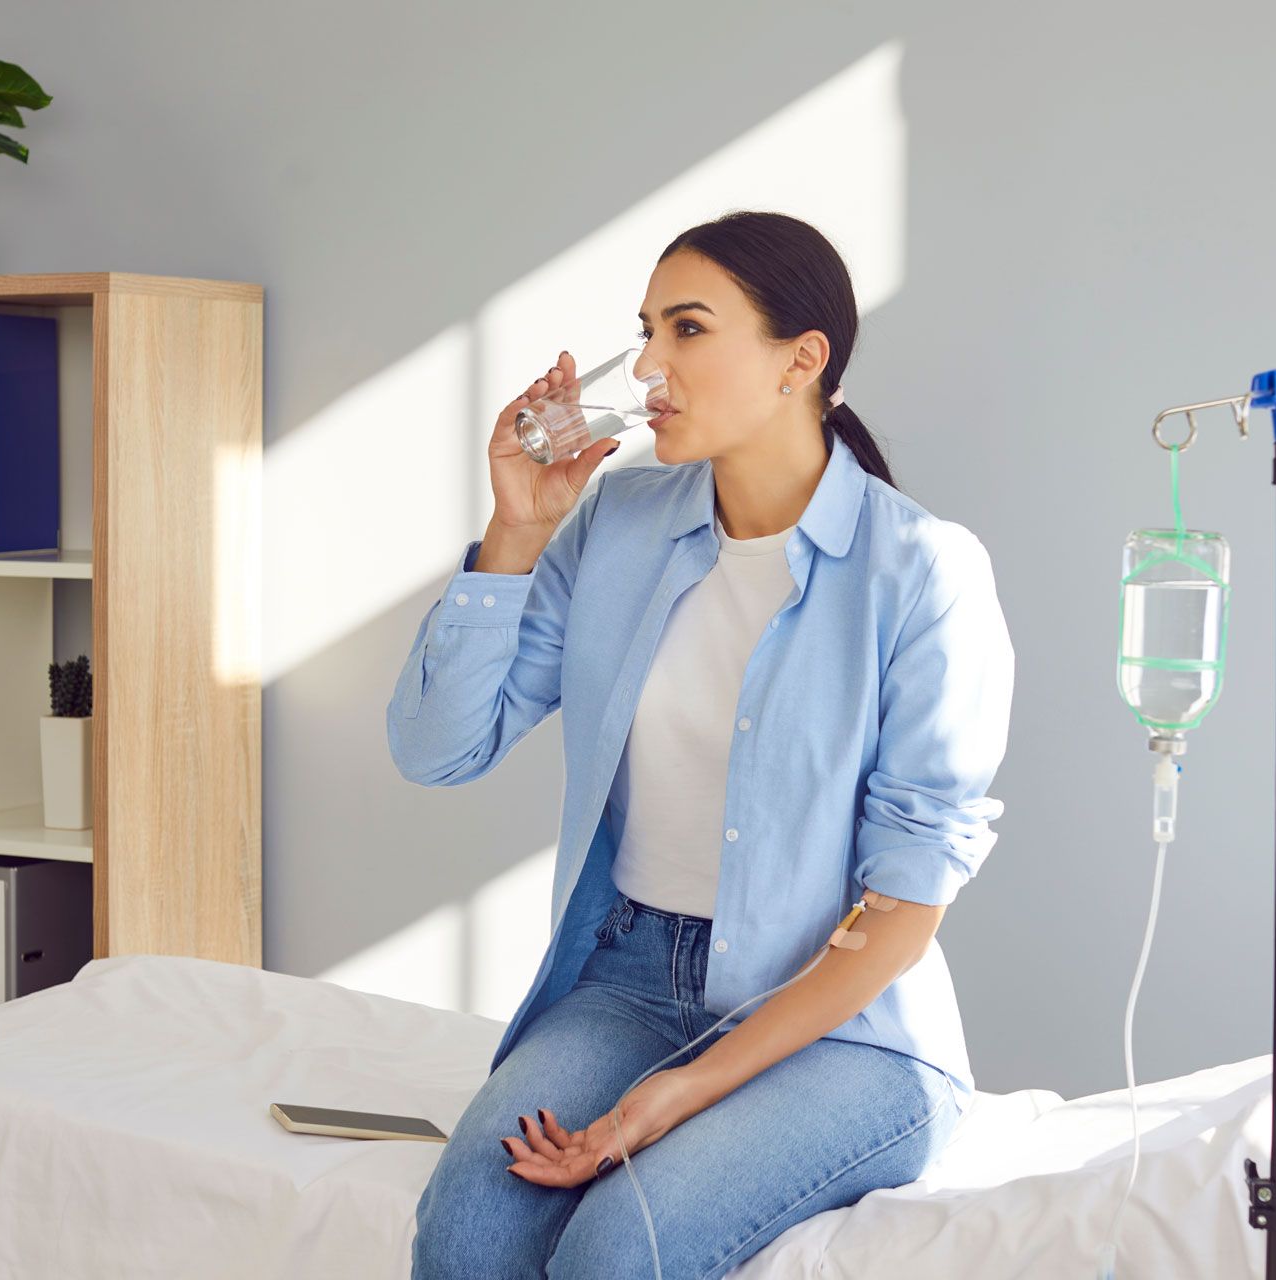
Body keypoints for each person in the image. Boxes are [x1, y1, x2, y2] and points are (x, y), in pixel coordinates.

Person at [388, 209, 1014, 1279]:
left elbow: (904, 907)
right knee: (468, 1235)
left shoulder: (922, 571)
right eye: (647, 331)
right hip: (631, 976)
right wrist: (516, 532)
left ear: (800, 361)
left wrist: (685, 1086)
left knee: (607, 1256)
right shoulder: (619, 520)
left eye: (687, 330)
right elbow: (440, 747)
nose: (647, 366)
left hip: (841, 1022)